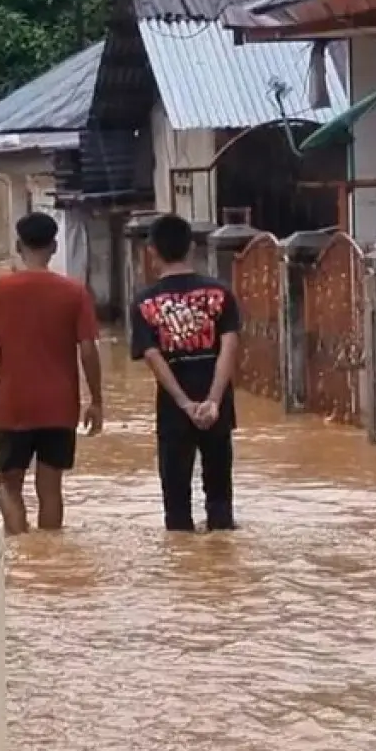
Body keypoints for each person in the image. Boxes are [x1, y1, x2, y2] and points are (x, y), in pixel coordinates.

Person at [0, 211, 103, 535]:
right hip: (60, 405)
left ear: (18, 245)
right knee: (50, 488)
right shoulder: (75, 292)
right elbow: (88, 350)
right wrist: (96, 400)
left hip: (14, 403)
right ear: (54, 246)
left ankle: (21, 550)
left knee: (8, 483)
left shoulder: (0, 290)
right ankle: (49, 557)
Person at [130, 213, 242, 532]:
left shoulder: (144, 302)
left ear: (152, 251)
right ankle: (221, 573)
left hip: (173, 411)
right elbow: (228, 349)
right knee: (220, 500)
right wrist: (213, 401)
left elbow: (153, 357)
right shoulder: (221, 294)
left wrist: (184, 403)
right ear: (192, 247)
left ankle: (182, 577)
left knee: (176, 506)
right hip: (216, 408)